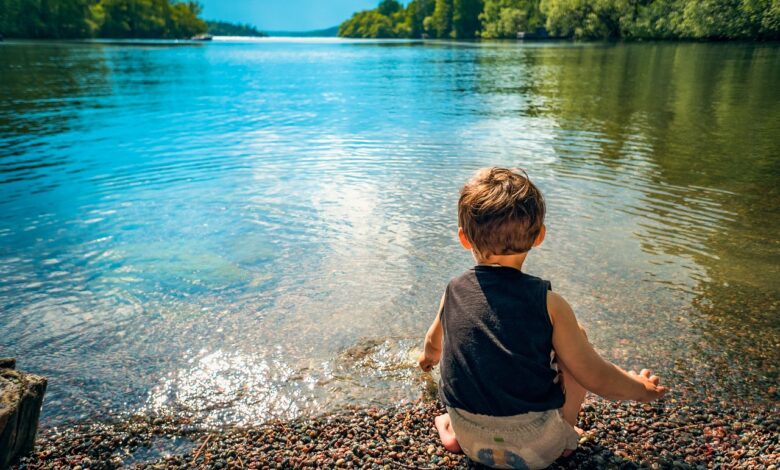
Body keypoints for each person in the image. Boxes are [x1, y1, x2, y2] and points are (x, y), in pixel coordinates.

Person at [417, 167, 668, 469]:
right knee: (577, 337)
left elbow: (433, 345)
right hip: (537, 450)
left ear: (464, 239)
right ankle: (566, 434)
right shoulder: (549, 304)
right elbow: (596, 376)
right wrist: (641, 389)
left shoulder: (453, 291)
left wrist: (426, 360)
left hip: (471, 441)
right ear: (539, 236)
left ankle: (451, 430)